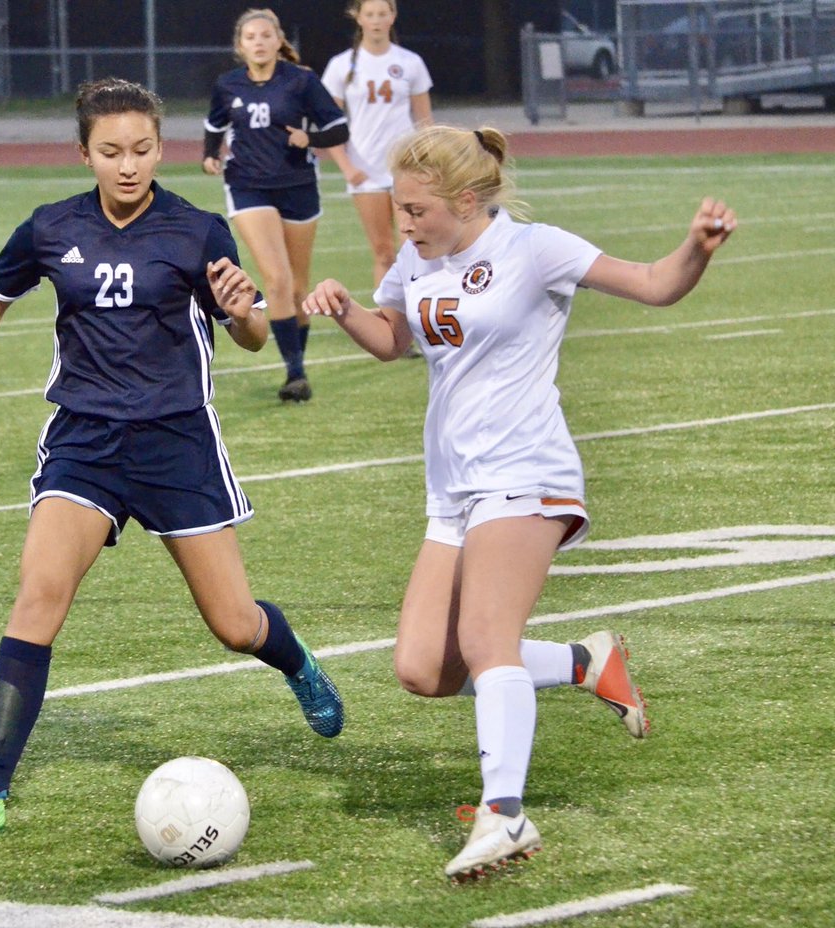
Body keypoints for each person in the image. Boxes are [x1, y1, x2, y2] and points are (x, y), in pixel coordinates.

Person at [0, 78, 344, 836]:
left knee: (235, 624)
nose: (127, 165)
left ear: (160, 148)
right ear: (84, 153)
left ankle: (296, 661)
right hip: (84, 440)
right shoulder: (49, 227)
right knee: (38, 595)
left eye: (142, 149)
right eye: (110, 151)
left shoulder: (197, 229)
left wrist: (244, 311)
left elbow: (246, 336)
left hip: (177, 443)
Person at [303, 124, 736, 880]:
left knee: (485, 635)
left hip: (525, 468)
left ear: (465, 201)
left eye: (416, 210)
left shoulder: (534, 249)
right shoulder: (419, 256)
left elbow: (653, 283)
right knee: (420, 667)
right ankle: (583, 662)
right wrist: (344, 311)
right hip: (454, 490)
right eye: (399, 209)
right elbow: (393, 339)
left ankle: (505, 814)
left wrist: (696, 245)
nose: (402, 225)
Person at [203, 8, 358, 403]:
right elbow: (214, 125)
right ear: (240, 46)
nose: (258, 41)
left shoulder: (301, 81)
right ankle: (295, 374)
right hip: (248, 186)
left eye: (265, 35)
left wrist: (311, 139)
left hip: (298, 186)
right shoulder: (228, 84)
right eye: (250, 36)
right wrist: (210, 155)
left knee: (297, 286)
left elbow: (338, 127)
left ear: (278, 41)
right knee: (277, 279)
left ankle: (296, 360)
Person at [320, 0, 433, 288]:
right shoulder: (341, 65)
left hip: (405, 168)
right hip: (364, 169)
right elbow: (328, 124)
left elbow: (425, 122)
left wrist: (429, 163)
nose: (376, 20)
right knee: (383, 253)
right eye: (370, 14)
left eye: (383, 13)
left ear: (393, 16)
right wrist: (346, 167)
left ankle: (420, 315)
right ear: (358, 18)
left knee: (413, 246)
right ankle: (388, 322)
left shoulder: (410, 62)